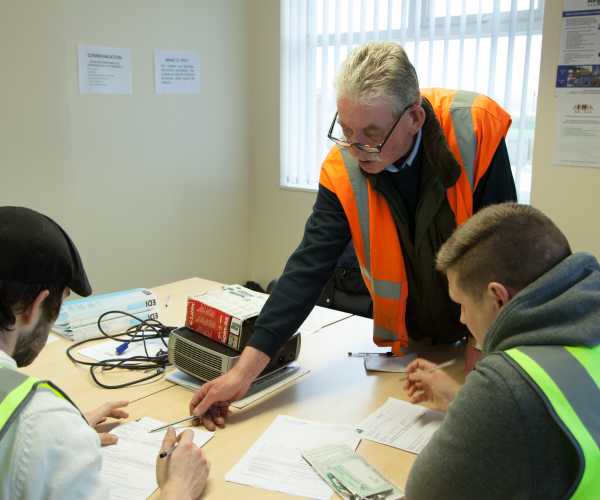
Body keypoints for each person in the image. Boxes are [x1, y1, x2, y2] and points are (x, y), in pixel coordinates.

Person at [190, 41, 517, 428]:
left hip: (477, 330)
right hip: (410, 341)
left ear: (414, 118)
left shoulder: (474, 130)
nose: (356, 148)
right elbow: (307, 268)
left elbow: (499, 258)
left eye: (371, 133)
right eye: (346, 130)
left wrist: (480, 359)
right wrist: (242, 374)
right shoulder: (342, 167)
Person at [0, 206, 209, 500]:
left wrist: (55, 438)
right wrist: (179, 487)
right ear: (35, 307)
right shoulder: (41, 423)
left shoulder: (39, 426)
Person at [403, 203, 599, 499]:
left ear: (497, 298)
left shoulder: (507, 384)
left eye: (462, 304)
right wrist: (459, 397)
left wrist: (484, 400)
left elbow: (424, 494)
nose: (462, 319)